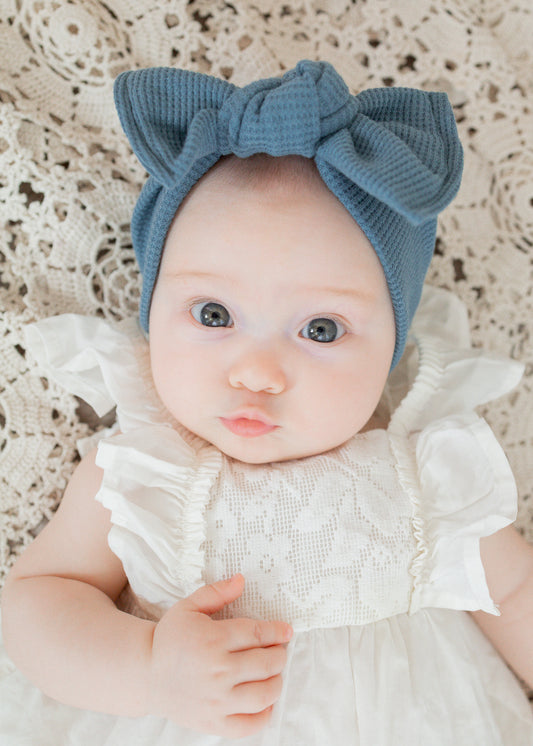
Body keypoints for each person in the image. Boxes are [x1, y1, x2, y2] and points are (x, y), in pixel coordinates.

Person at [1, 60, 532, 745]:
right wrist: (149, 668)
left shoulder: (425, 473)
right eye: (214, 314)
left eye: (320, 330)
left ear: (392, 350)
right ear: (153, 311)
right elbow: (40, 601)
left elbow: (513, 593)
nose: (256, 373)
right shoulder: (141, 470)